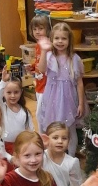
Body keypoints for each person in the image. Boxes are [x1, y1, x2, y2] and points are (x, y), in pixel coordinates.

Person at [36, 22, 86, 156]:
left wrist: (81, 104)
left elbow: (79, 83)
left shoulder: (75, 59)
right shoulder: (49, 56)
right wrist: (43, 50)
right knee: (52, 128)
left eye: (64, 38)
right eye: (57, 38)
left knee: (70, 130)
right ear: (52, 40)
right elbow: (41, 69)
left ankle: (71, 157)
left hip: (69, 100)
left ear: (69, 40)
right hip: (52, 99)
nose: (60, 41)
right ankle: (51, 155)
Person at [0, 71, 34, 154]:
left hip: (20, 146)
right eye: (9, 92)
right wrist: (3, 81)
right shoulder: (2, 107)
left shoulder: (25, 112)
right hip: (3, 146)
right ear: (3, 93)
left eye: (16, 92)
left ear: (21, 92)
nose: (13, 96)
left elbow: (31, 130)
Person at [29, 13, 51, 132]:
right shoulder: (38, 45)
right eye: (35, 29)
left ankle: (43, 136)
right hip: (39, 85)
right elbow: (40, 61)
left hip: (46, 87)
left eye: (40, 28)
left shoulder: (47, 46)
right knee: (40, 113)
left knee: (40, 114)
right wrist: (32, 67)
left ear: (47, 29)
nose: (37, 32)